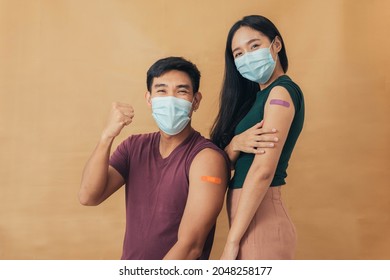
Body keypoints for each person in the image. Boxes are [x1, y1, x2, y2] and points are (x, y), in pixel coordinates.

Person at [79, 56, 231, 260]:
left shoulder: (207, 159)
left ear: (196, 101)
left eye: (182, 91)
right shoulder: (134, 147)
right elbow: (89, 196)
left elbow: (191, 247)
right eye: (161, 90)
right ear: (149, 99)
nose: (170, 99)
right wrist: (107, 136)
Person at [210, 15, 305, 260]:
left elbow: (263, 169)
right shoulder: (256, 99)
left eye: (254, 46)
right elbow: (225, 165)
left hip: (261, 219)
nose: (247, 57)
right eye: (238, 53)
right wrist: (235, 143)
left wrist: (232, 242)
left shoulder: (280, 93)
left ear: (276, 45)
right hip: (250, 219)